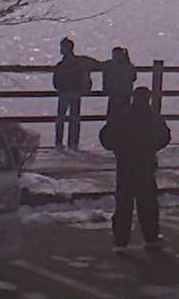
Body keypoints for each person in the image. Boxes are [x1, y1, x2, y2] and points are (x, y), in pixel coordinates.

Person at [108, 86, 172, 250]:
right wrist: (152, 147)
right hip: (145, 163)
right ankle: (150, 237)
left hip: (125, 164)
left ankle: (120, 240)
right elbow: (165, 136)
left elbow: (106, 136)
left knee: (124, 203)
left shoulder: (123, 115)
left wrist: (118, 149)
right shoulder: (153, 117)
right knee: (148, 203)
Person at [51, 37, 99, 150]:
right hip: (75, 92)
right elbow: (95, 64)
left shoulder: (62, 64)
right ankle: (72, 143)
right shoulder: (80, 61)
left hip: (66, 92)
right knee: (73, 118)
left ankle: (60, 142)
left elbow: (56, 80)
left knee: (62, 118)